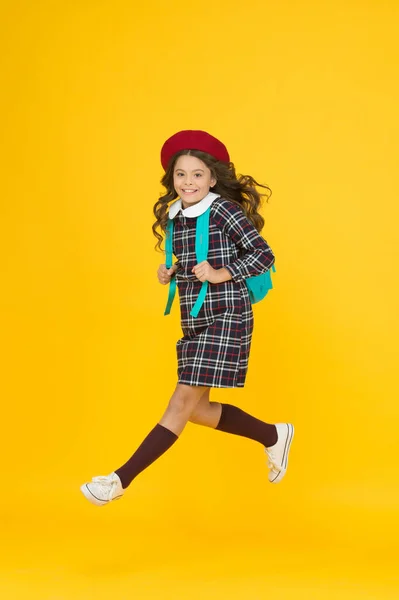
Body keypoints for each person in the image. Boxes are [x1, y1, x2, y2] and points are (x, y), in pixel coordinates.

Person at [80, 130, 294, 506]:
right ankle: (274, 435)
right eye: (181, 174)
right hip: (195, 319)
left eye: (198, 174)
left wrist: (220, 273)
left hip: (228, 314)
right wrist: (171, 273)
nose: (189, 182)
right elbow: (191, 261)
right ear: (171, 178)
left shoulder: (224, 210)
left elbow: (263, 255)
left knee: (179, 404)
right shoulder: (176, 216)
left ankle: (118, 480)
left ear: (212, 178)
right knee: (197, 411)